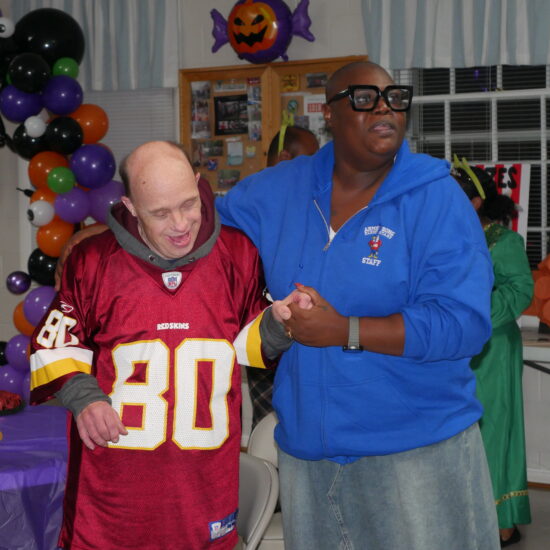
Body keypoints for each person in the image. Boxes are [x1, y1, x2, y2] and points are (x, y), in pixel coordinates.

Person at [216, 61, 501, 550]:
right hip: (309, 456)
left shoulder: (434, 198)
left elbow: (464, 324)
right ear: (330, 113)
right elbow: (197, 232)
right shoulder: (278, 190)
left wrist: (344, 329)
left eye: (395, 98)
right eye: (365, 98)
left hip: (415, 451)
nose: (385, 108)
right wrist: (110, 231)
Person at [29, 141, 297, 550]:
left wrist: (280, 323)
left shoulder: (238, 254)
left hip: (205, 490)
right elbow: (54, 342)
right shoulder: (92, 260)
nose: (180, 224)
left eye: (189, 204)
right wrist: (84, 397)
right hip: (109, 497)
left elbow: (251, 345)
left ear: (198, 184)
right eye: (160, 212)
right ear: (130, 206)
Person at [452, 160, 533, 547]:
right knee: (459, 433)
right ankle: (465, 515)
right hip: (453, 350)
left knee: (495, 431)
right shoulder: (447, 236)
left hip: (494, 348)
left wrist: (472, 314)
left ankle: (503, 520)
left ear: (476, 202)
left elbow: (519, 291)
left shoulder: (505, 241)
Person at [247, 125, 319, 428]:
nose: (315, 169)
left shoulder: (309, 203)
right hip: (263, 338)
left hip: (303, 335)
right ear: (286, 158)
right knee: (269, 430)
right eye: (308, 160)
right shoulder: (249, 205)